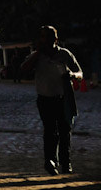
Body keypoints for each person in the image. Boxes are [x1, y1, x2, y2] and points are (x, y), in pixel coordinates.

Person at [21, 26, 82, 175]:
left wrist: (73, 75)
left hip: (63, 98)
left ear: (55, 39)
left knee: (65, 131)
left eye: (48, 37)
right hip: (45, 99)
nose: (45, 40)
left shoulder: (64, 54)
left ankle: (66, 163)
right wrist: (38, 53)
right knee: (50, 131)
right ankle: (50, 161)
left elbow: (80, 72)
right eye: (42, 37)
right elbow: (23, 70)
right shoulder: (36, 56)